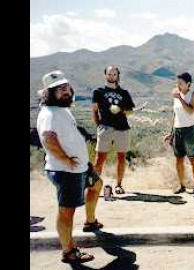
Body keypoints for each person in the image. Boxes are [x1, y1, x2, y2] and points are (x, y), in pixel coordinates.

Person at [37, 70, 103, 264]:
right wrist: (65, 160)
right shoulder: (50, 113)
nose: (65, 91)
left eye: (66, 87)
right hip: (66, 171)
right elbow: (48, 139)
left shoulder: (60, 109)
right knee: (66, 211)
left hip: (79, 167)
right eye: (59, 89)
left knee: (97, 185)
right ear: (50, 93)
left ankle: (90, 221)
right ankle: (68, 251)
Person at [92, 66, 135, 194]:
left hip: (122, 128)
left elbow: (130, 111)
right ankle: (93, 186)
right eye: (109, 74)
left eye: (114, 74)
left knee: (121, 157)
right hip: (105, 128)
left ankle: (119, 185)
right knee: (100, 158)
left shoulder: (124, 93)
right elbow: (94, 110)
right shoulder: (98, 92)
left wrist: (121, 110)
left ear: (117, 75)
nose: (111, 76)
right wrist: (98, 125)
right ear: (105, 75)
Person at [164, 72, 194, 194]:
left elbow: (190, 111)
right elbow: (175, 114)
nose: (178, 85)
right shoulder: (176, 95)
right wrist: (171, 133)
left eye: (181, 83)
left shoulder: (193, 95)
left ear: (188, 84)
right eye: (177, 83)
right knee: (179, 159)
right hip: (178, 130)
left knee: (193, 159)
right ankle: (182, 185)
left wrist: (180, 98)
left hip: (190, 130)